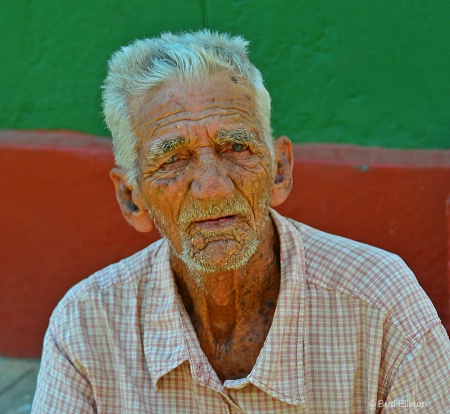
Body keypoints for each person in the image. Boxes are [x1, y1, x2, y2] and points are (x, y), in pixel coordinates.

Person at [32, 30, 450, 413]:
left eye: (236, 146)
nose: (212, 187)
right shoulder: (86, 325)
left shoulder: (381, 304)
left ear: (280, 170)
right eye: (173, 159)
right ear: (132, 198)